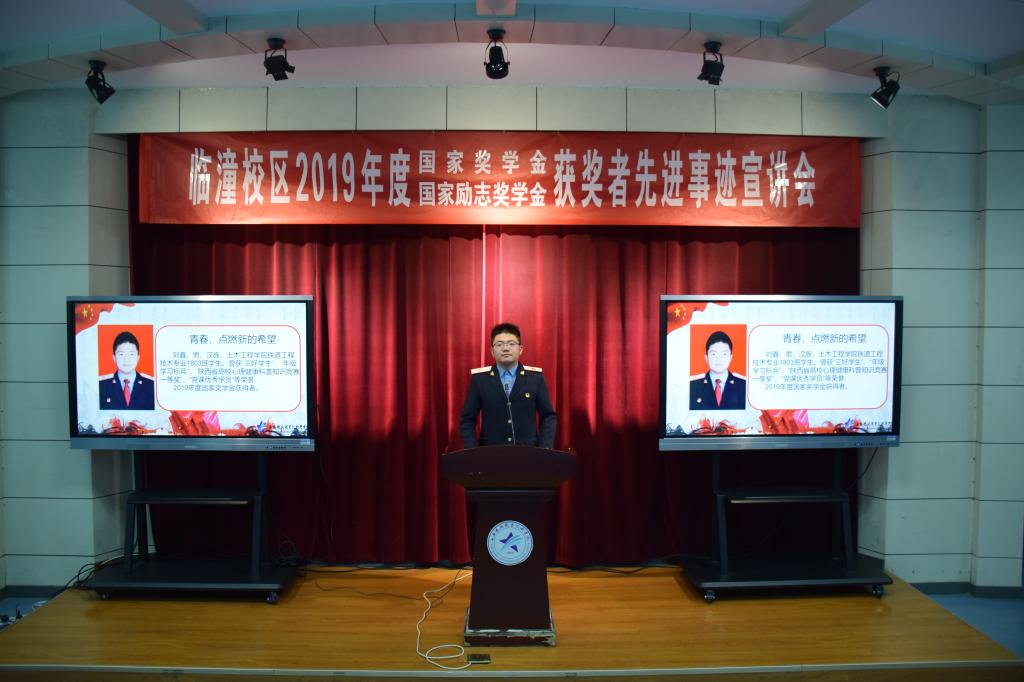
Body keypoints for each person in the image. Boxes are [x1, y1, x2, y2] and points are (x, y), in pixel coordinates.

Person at [459, 322, 556, 448]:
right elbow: (467, 420)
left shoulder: (535, 378)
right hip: (490, 453)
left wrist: (544, 449)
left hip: (529, 453)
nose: (505, 348)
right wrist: (473, 453)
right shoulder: (480, 380)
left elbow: (548, 417)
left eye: (511, 343)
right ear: (492, 351)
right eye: (499, 344)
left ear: (520, 349)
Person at [689, 330, 746, 410]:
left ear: (730, 357)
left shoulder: (743, 386)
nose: (719, 359)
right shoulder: (693, 386)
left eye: (724, 354)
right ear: (706, 357)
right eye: (714, 354)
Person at [99, 331, 155, 410]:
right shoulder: (102, 387)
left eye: (131, 354)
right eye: (121, 354)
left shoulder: (151, 386)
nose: (126, 359)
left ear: (138, 357)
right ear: (114, 358)